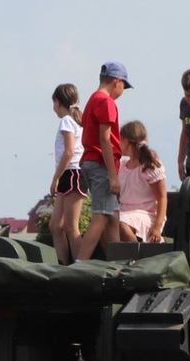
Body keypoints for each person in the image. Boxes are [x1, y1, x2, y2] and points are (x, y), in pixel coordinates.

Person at [74, 62, 131, 262]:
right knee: (101, 215)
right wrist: (113, 176)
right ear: (117, 81)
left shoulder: (92, 99)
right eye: (123, 85)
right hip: (101, 164)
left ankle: (117, 262)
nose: (123, 90)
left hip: (89, 162)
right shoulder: (107, 102)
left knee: (112, 216)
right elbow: (105, 139)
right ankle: (80, 262)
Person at [48, 83, 86, 265]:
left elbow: (69, 151)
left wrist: (55, 178)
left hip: (72, 173)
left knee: (71, 227)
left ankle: (80, 265)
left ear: (58, 102)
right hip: (69, 173)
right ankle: (63, 263)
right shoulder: (76, 120)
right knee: (56, 226)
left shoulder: (66, 121)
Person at [117, 120, 167, 243]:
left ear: (128, 142)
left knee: (120, 223)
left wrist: (157, 226)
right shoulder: (122, 166)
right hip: (125, 212)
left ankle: (136, 254)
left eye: (120, 139)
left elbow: (162, 197)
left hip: (146, 215)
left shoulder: (149, 166)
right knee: (105, 222)